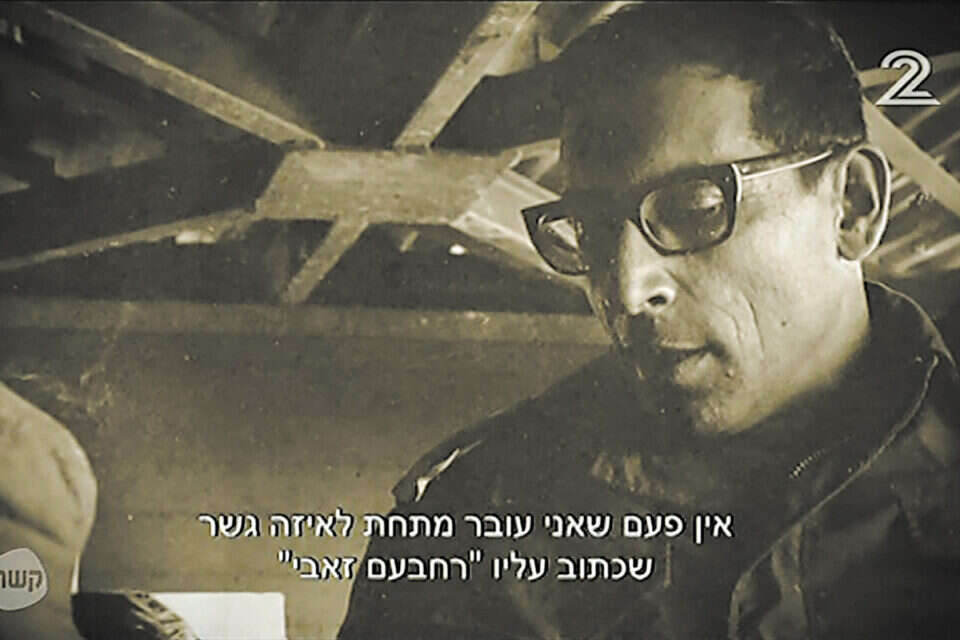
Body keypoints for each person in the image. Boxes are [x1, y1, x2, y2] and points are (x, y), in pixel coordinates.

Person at [339, 4, 960, 638]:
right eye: (592, 230)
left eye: (695, 209)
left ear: (852, 205)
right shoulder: (471, 523)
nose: (628, 289)